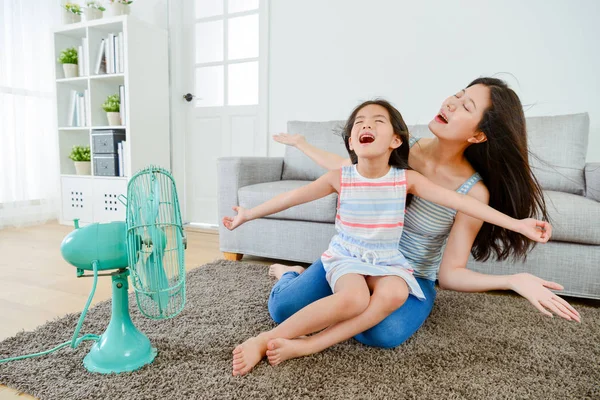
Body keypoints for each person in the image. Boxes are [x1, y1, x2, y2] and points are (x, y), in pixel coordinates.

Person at [264, 78, 581, 370]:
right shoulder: (401, 146)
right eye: (458, 95)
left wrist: (512, 281)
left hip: (410, 278)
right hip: (358, 260)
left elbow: (450, 273)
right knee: (283, 309)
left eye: (466, 106)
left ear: (478, 135)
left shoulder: (473, 191)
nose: (452, 103)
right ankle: (290, 274)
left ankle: (335, 307)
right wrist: (302, 145)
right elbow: (347, 171)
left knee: (382, 332)